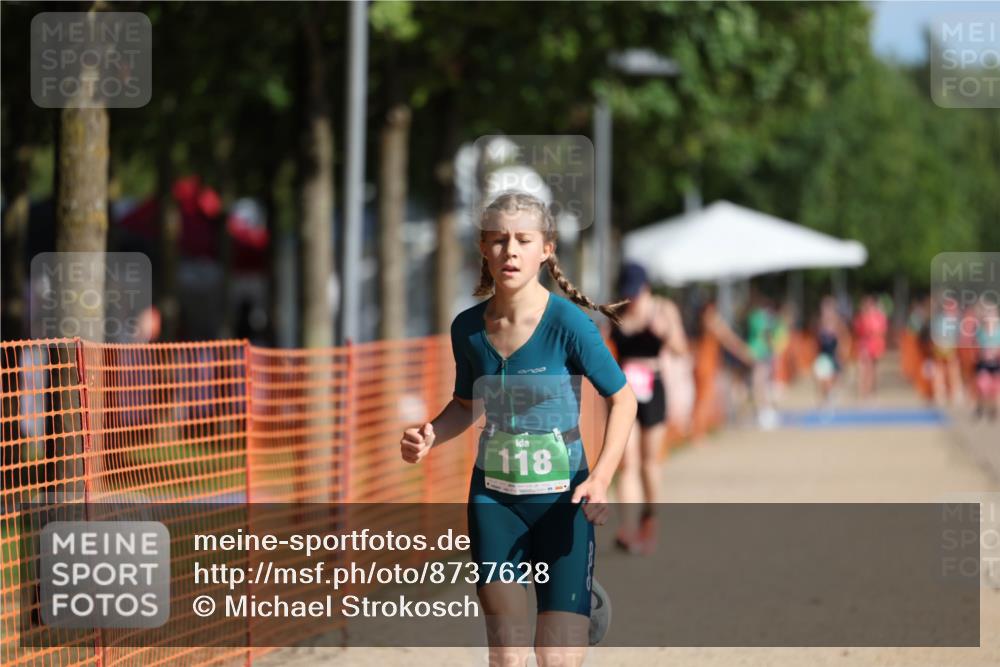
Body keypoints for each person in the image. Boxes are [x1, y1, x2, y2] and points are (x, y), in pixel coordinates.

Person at [399, 191, 637, 666]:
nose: (511, 250)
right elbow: (466, 406)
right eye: (499, 239)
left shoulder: (568, 324)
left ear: (546, 248)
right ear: (483, 248)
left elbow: (622, 399)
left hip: (563, 504)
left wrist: (602, 478)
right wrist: (429, 434)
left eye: (523, 240)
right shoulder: (466, 329)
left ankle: (577, 601)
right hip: (494, 503)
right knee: (507, 656)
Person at [608, 262, 687, 555]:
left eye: (635, 293)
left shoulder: (663, 310)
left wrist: (665, 333)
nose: (631, 300)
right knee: (626, 462)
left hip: (653, 387)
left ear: (646, 288)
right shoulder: (616, 311)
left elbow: (681, 349)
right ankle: (627, 529)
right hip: (622, 391)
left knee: (648, 462)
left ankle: (650, 517)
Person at [814, 296, 849, 408]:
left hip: (834, 354)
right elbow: (816, 340)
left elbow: (844, 338)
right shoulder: (820, 322)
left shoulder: (838, 323)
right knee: (822, 379)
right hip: (823, 355)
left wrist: (843, 353)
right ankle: (826, 398)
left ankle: (831, 396)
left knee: (834, 378)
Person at [853, 295, 888, 398]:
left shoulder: (879, 317)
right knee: (863, 368)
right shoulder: (861, 317)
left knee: (872, 368)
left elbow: (882, 331)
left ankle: (870, 389)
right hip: (864, 345)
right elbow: (858, 331)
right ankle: (863, 390)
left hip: (875, 345)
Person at [973, 302, 1000, 421]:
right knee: (982, 385)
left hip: (995, 363)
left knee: (994, 388)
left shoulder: (998, 331)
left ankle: (992, 410)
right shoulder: (980, 331)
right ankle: (980, 407)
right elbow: (975, 345)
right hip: (983, 363)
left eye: (992, 313)